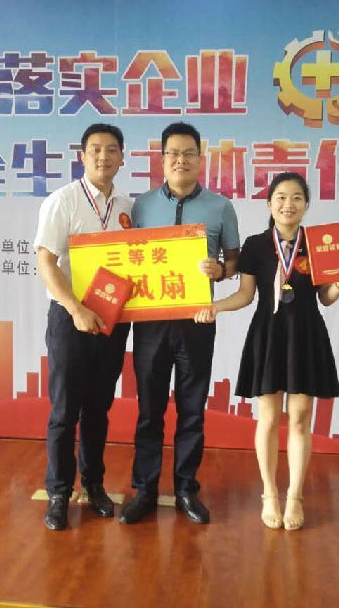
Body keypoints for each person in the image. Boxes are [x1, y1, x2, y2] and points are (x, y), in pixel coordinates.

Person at [194, 171, 339, 530]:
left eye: (297, 197)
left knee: (300, 418)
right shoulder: (255, 245)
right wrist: (215, 307)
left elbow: (325, 298)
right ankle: (270, 493)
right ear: (270, 203)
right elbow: (245, 295)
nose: (289, 204)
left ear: (306, 204)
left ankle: (295, 496)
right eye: (281, 197)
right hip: (268, 336)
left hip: (306, 336)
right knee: (268, 418)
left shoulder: (320, 244)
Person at [119, 121, 240, 525]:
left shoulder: (221, 207)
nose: (180, 160)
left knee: (192, 409)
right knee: (149, 410)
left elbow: (234, 261)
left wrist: (220, 270)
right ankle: (145, 489)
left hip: (196, 320)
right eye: (173, 153)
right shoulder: (141, 206)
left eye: (189, 153)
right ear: (162, 159)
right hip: (151, 322)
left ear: (200, 159)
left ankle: (186, 488)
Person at [34, 123, 133, 531]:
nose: (103, 157)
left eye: (111, 150)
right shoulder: (63, 201)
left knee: (98, 408)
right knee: (64, 410)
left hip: (112, 322)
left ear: (122, 157)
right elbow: (45, 261)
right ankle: (59, 492)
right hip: (70, 318)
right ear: (82, 156)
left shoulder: (128, 206)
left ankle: (93, 484)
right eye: (95, 150)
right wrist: (75, 308)